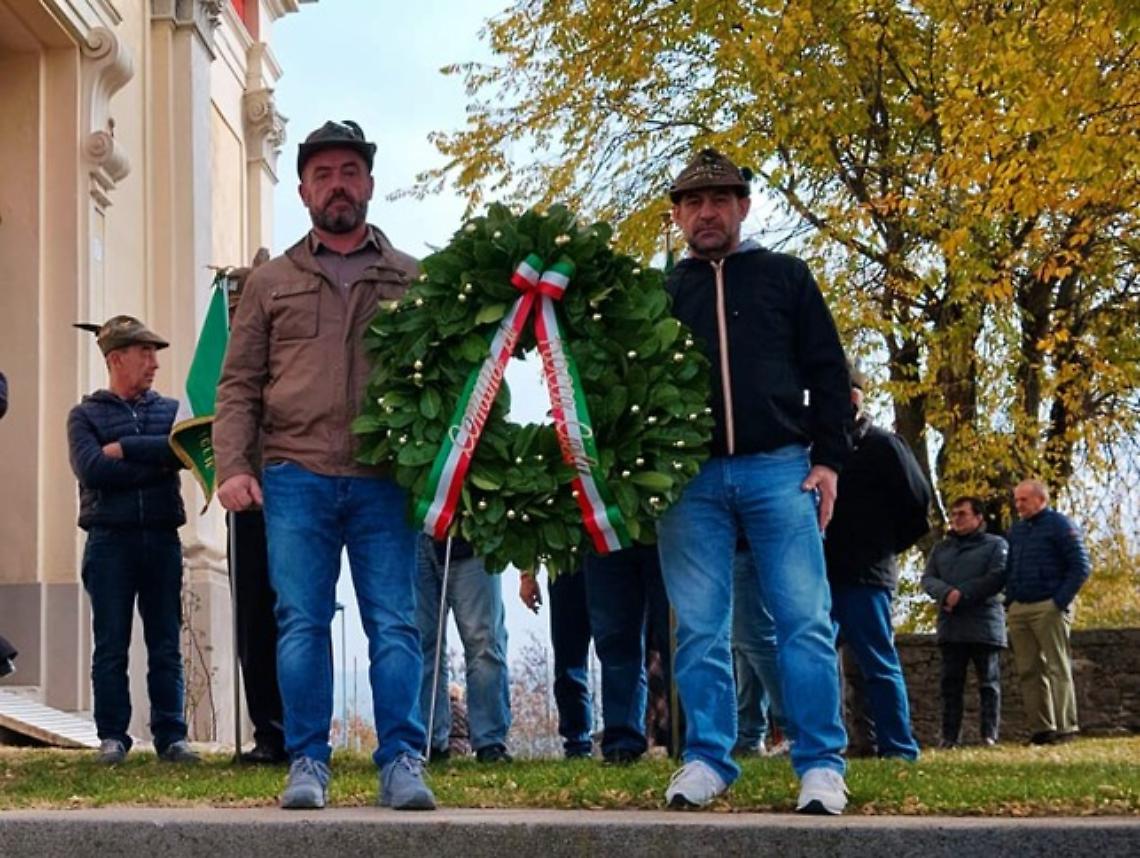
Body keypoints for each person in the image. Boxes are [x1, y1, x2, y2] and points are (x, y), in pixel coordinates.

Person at [214, 120, 434, 810]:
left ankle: (402, 760)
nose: (337, 185)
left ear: (368, 183)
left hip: (384, 481)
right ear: (305, 191)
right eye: (322, 174)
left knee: (396, 624)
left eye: (349, 172)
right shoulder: (271, 281)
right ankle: (307, 760)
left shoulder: (411, 278)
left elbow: (442, 382)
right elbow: (238, 383)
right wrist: (232, 465)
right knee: (301, 622)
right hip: (294, 476)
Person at [657, 148, 852, 814]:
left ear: (743, 206)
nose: (706, 213)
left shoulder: (785, 277)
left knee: (803, 621)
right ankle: (708, 758)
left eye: (720, 199)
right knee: (700, 629)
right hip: (691, 480)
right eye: (693, 202)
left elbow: (829, 370)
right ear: (678, 215)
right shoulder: (661, 295)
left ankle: (821, 763)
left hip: (780, 470)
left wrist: (829, 460)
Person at [67, 315, 198, 766]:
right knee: (111, 643)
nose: (154, 364)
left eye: (155, 354)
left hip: (162, 538)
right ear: (116, 359)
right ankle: (112, 736)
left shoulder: (171, 411)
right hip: (109, 541)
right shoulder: (84, 415)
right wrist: (156, 457)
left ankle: (172, 736)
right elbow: (92, 470)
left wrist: (126, 448)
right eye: (145, 353)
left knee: (165, 642)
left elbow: (181, 451)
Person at [824, 368, 929, 761]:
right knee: (818, 662)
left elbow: (917, 505)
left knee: (878, 663)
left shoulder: (885, 446)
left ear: (855, 399)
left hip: (866, 573)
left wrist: (882, 547)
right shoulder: (817, 449)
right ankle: (826, 744)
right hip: (821, 572)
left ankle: (898, 747)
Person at [223, 254, 287, 765]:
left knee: (298, 617)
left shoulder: (291, 359)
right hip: (247, 501)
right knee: (253, 619)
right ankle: (268, 730)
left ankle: (302, 728)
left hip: (295, 494)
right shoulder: (230, 370)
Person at [1005, 479, 1091, 745]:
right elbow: (1009, 567)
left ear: (1041, 499)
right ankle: (1042, 729)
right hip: (1020, 606)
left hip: (1048, 606)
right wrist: (1009, 601)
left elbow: (1081, 566)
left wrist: (1058, 602)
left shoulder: (1060, 525)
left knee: (1057, 667)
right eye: (1017, 500)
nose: (1018, 505)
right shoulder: (1017, 531)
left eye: (1024, 500)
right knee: (1028, 670)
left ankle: (1067, 727)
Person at [416, 534, 511, 763]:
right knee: (420, 643)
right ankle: (429, 740)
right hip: (414, 533)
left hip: (471, 534)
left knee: (484, 640)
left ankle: (490, 743)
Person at [922, 496, 1008, 748]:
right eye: (953, 514)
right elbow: (928, 579)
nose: (956, 519)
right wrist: (947, 593)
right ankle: (949, 737)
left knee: (989, 684)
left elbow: (997, 576)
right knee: (950, 685)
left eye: (962, 514)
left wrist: (964, 594)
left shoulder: (995, 545)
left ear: (978, 517)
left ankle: (989, 735)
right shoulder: (941, 549)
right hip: (952, 625)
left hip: (985, 623)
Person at [581, 544, 672, 763]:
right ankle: (621, 742)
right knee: (615, 639)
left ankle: (688, 737)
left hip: (666, 530)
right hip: (603, 534)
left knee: (674, 636)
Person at [520, 567, 593, 758]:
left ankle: (623, 742)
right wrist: (527, 574)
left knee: (619, 653)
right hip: (565, 562)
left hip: (613, 553)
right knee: (569, 662)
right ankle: (577, 742)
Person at [731, 546, 787, 757]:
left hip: (745, 548)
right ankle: (749, 738)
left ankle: (798, 730)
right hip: (741, 550)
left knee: (758, 642)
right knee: (746, 644)